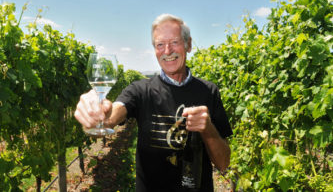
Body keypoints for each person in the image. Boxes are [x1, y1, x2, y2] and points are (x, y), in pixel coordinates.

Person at [75, 13, 233, 191]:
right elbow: (113, 115)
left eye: (174, 42)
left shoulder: (209, 91)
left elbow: (224, 163)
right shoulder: (141, 90)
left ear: (188, 44)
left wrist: (208, 129)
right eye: (160, 45)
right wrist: (95, 116)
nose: (167, 51)